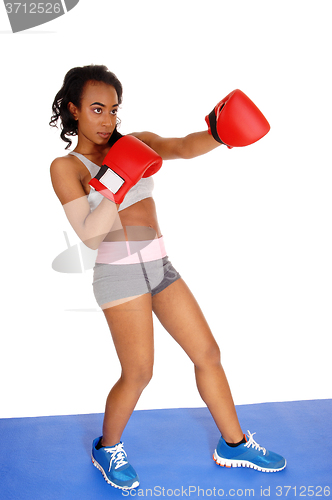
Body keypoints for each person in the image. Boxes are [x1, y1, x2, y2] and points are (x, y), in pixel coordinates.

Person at [50, 64, 286, 491]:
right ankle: (108, 447)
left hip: (159, 264)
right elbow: (88, 236)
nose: (107, 120)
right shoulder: (66, 167)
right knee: (139, 372)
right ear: (74, 110)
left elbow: (183, 146)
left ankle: (233, 443)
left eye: (113, 110)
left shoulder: (134, 142)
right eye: (97, 109)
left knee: (207, 352)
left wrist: (218, 132)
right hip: (118, 274)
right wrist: (116, 181)